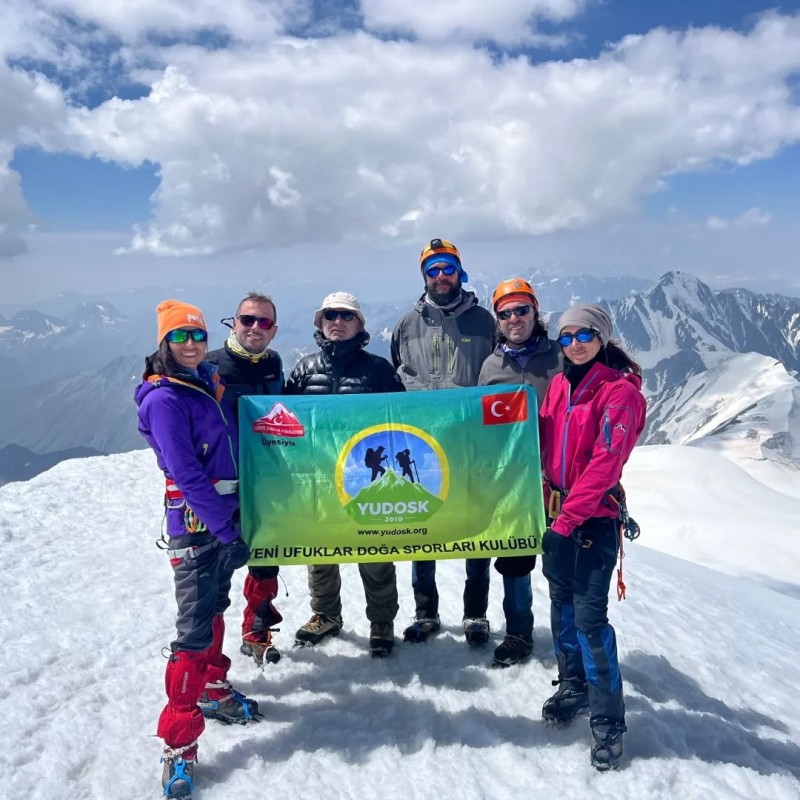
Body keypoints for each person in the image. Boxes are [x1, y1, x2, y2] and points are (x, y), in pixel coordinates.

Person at [135, 300, 258, 799]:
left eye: (197, 335)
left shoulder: (204, 381)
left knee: (212, 608)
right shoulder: (165, 399)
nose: (190, 344)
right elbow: (184, 471)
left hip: (221, 515)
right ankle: (178, 745)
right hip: (197, 522)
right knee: (191, 629)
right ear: (165, 342)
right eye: (180, 337)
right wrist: (226, 529)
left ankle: (210, 687)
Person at [538, 303, 645, 771]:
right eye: (565, 336)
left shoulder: (620, 393)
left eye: (584, 335)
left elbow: (606, 463)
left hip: (592, 520)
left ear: (602, 338)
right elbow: (542, 440)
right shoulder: (561, 385)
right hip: (556, 513)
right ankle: (572, 685)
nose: (574, 344)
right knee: (560, 603)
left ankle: (608, 720)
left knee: (588, 619)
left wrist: (565, 523)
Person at [390, 238, 497, 645]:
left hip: (472, 443)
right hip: (421, 446)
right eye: (432, 270)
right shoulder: (405, 324)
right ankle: (426, 612)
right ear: (424, 275)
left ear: (459, 271)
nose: (440, 277)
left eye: (447, 268)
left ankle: (475, 614)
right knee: (422, 528)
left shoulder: (484, 322)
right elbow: (397, 379)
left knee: (476, 529)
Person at [288, 291, 405, 656]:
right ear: (320, 324)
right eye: (330, 316)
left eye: (346, 316)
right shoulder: (304, 370)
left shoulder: (379, 370)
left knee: (374, 551)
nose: (337, 322)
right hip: (318, 476)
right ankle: (325, 614)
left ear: (360, 325)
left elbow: (403, 419)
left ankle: (382, 621)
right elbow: (284, 424)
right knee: (320, 547)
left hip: (366, 477)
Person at [477, 278, 562, 667]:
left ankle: (570, 639)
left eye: (521, 310)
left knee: (563, 561)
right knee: (514, 559)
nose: (514, 318)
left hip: (559, 479)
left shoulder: (562, 357)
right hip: (512, 479)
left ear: (535, 311)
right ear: (498, 319)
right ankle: (518, 633)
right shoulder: (491, 367)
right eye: (505, 312)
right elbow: (481, 422)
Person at [206, 291, 284, 667]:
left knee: (265, 559)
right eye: (248, 320)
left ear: (274, 330)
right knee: (215, 576)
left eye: (264, 322)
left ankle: (257, 632)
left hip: (265, 481)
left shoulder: (273, 364)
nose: (255, 327)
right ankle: (207, 666)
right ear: (233, 322)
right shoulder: (210, 366)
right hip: (222, 489)